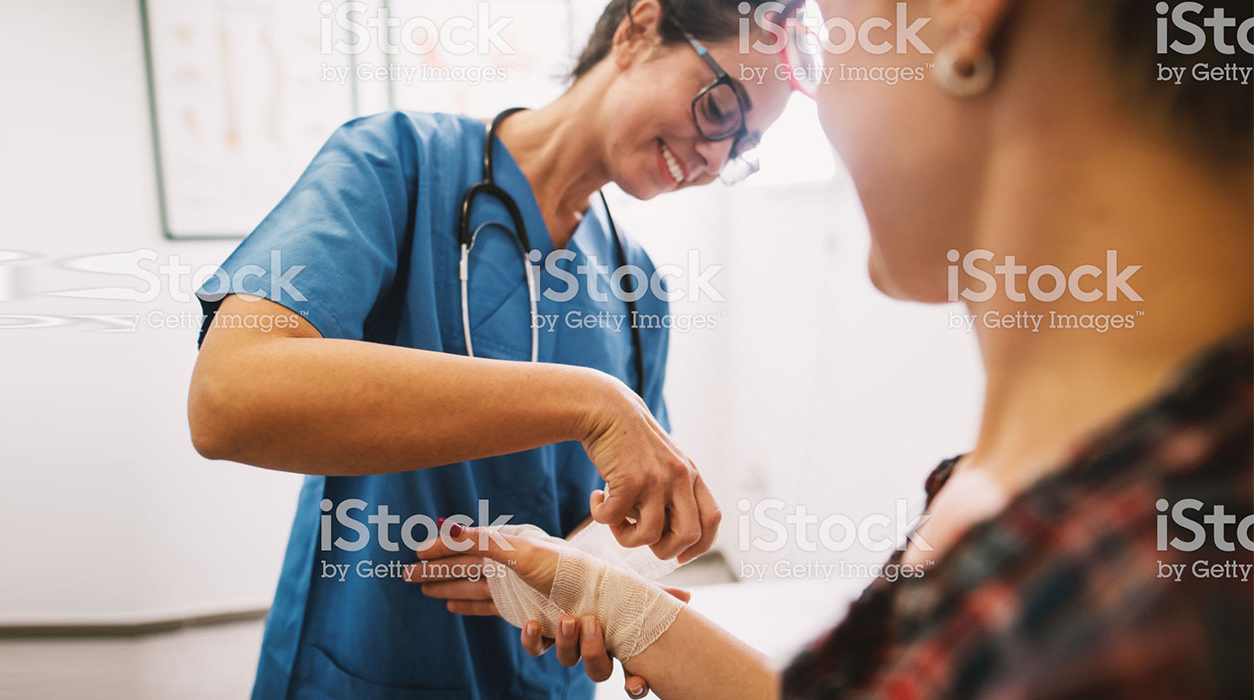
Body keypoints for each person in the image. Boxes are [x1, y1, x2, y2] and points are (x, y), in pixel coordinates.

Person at [425, 0, 1254, 697]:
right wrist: (604, 596)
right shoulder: (1039, 510)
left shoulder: (1142, 599)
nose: (818, 102)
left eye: (830, 29)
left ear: (961, 16)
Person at [187, 0, 791, 697]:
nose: (715, 156)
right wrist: (588, 402)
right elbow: (229, 397)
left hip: (545, 674)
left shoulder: (638, 284)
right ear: (638, 29)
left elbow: (628, 515)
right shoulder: (397, 162)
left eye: (742, 147)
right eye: (721, 110)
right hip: (369, 662)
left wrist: (583, 571)